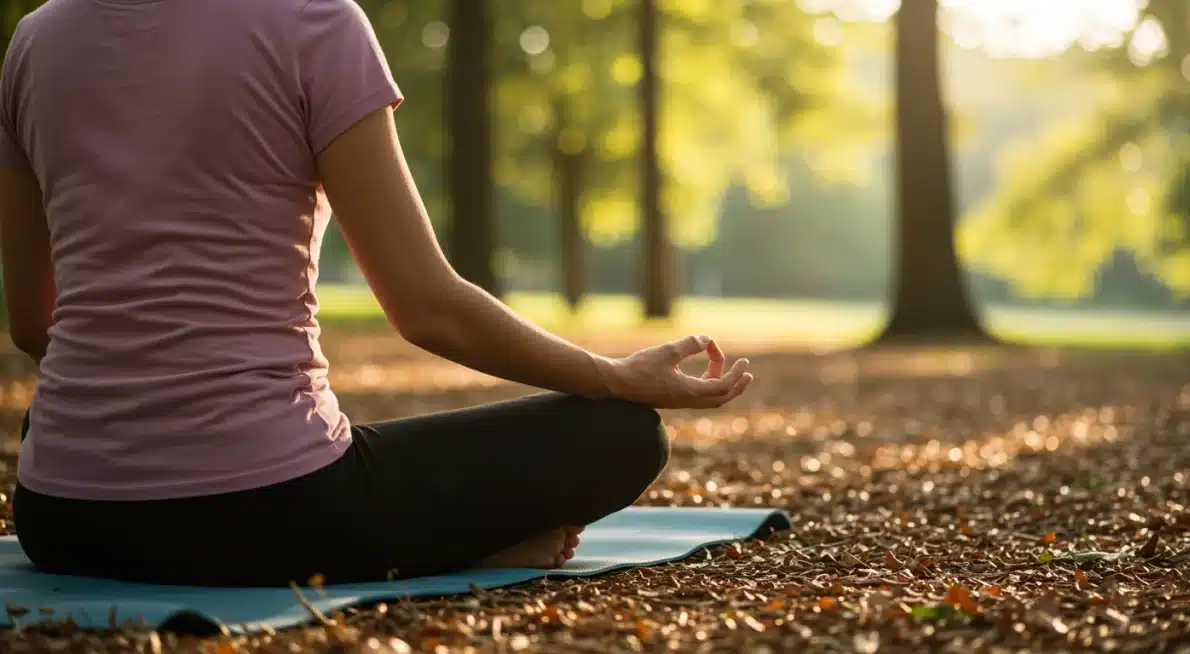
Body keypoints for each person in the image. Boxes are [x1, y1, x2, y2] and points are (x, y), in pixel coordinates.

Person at [0, 0, 753, 587]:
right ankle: (456, 546)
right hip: (268, 515)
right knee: (622, 435)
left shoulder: (34, 42)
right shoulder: (312, 22)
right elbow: (426, 307)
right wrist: (613, 376)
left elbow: (35, 325)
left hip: (64, 517)